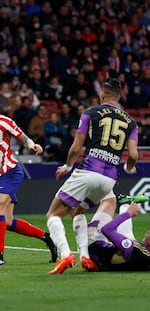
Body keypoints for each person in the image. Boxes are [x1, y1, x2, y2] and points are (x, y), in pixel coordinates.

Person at [46, 78, 139, 274]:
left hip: (88, 171)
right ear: (120, 96)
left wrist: (68, 166)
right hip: (109, 179)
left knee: (53, 214)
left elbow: (76, 146)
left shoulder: (90, 112)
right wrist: (130, 167)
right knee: (79, 210)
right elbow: (132, 155)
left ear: (102, 95)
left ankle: (65, 255)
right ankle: (85, 256)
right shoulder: (131, 122)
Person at [0, 86, 57, 266]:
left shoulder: (1, 121)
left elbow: (22, 137)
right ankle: (46, 237)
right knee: (6, 221)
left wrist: (32, 145)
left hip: (11, 171)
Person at [88, 195, 150, 271]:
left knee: (110, 200)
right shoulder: (145, 255)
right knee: (128, 240)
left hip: (91, 244)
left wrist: (128, 214)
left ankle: (125, 205)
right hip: (103, 261)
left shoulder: (135, 249)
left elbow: (106, 229)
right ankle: (125, 204)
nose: (148, 230)